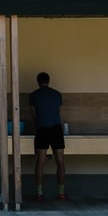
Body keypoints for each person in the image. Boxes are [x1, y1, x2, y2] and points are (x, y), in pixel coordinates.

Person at [28, 71, 67, 201]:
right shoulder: (57, 95)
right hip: (56, 128)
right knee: (60, 161)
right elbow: (58, 112)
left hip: (42, 128)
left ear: (38, 82)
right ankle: (61, 193)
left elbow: (34, 115)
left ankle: (39, 193)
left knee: (40, 161)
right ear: (48, 81)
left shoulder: (34, 95)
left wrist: (36, 128)